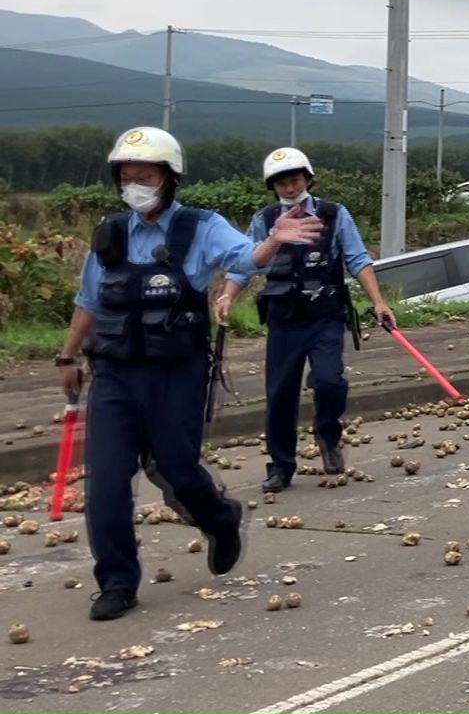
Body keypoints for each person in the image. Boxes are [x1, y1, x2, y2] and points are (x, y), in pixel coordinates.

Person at [56, 127, 327, 621]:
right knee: (108, 482)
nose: (133, 183)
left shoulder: (201, 227)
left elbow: (243, 258)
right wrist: (68, 358)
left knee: (177, 469)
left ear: (168, 178)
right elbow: (89, 301)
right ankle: (117, 581)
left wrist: (273, 241)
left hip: (175, 371)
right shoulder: (111, 234)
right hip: (114, 373)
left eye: (145, 175)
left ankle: (221, 519)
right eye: (126, 175)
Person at [220, 148, 396, 495]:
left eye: (295, 179)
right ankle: (281, 467)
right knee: (280, 395)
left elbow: (358, 258)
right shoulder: (265, 219)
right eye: (282, 182)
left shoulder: (333, 214)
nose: (289, 187)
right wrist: (227, 295)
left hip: (325, 316)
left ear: (308, 179)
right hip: (284, 319)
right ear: (273, 187)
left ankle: (328, 436)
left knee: (330, 382)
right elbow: (244, 263)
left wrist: (378, 301)